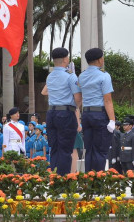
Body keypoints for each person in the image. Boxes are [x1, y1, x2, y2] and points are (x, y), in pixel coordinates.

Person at [43, 47, 82, 175]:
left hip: (51, 113)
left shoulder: (50, 76)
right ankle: (64, 179)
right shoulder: (71, 77)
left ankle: (54, 177)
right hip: (65, 113)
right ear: (66, 59)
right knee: (65, 149)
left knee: (54, 148)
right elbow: (77, 98)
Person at [78, 48, 116, 172]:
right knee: (100, 150)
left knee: (89, 149)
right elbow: (108, 100)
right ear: (100, 59)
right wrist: (112, 120)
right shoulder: (104, 75)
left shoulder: (82, 75)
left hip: (87, 114)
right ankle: (98, 180)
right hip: (99, 114)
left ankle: (89, 179)